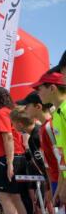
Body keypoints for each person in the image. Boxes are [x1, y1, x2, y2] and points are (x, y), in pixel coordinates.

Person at [10, 107, 57, 214]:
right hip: (52, 177)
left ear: (19, 123)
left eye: (13, 123)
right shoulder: (37, 133)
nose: (12, 126)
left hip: (54, 177)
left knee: (52, 203)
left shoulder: (35, 137)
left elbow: (46, 162)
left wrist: (48, 184)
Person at [33, 70, 66, 205]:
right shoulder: (57, 114)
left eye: (39, 88)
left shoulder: (64, 111)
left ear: (52, 88)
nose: (37, 93)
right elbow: (62, 155)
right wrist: (60, 185)